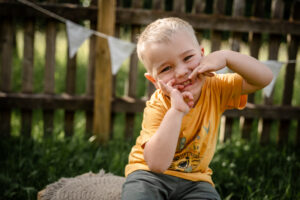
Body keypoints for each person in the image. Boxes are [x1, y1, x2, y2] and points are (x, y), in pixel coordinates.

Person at [121, 17, 273, 200]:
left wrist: (227, 57)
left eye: (188, 58)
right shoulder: (158, 104)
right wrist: (176, 111)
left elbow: (264, 78)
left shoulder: (216, 87)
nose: (181, 71)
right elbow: (157, 165)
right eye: (166, 68)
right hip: (148, 177)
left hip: (196, 181)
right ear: (154, 81)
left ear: (202, 54)